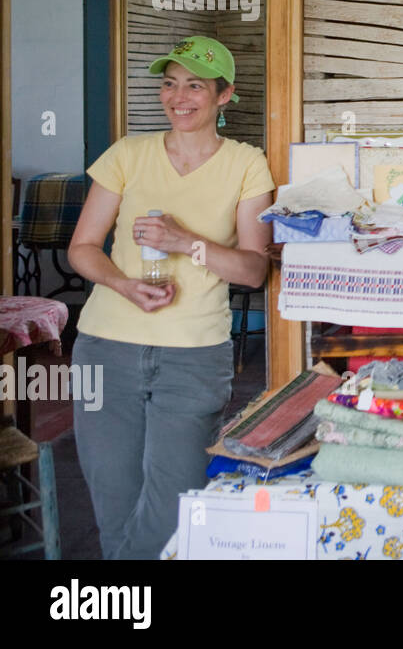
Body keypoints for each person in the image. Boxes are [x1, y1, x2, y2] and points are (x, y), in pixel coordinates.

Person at [67, 36, 275, 559]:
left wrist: (187, 243)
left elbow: (252, 270)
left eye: (195, 85)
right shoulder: (128, 154)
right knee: (113, 502)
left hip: (194, 355)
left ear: (224, 95)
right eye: (169, 83)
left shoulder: (247, 164)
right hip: (105, 346)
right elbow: (83, 248)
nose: (178, 96)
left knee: (176, 506)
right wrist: (121, 283)